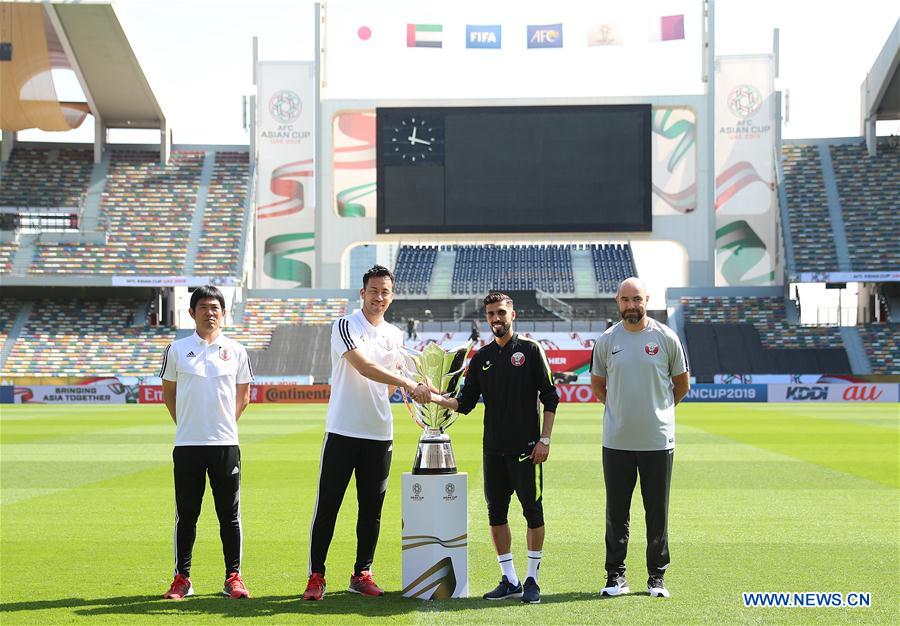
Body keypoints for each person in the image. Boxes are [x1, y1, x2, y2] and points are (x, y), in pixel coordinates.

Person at [303, 265, 431, 601]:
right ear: (362, 293)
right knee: (328, 505)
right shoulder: (345, 325)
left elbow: (389, 383)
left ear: (392, 296)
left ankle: (362, 573)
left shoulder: (395, 334)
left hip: (379, 434)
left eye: (385, 292)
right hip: (343, 430)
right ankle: (316, 575)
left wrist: (422, 386)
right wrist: (408, 383)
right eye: (373, 291)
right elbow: (364, 367)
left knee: (371, 509)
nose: (379, 297)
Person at [434, 292, 559, 604]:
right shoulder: (481, 358)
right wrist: (433, 398)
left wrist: (544, 440)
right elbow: (464, 404)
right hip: (493, 450)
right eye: (491, 314)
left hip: (528, 450)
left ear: (512, 315)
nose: (496, 319)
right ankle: (511, 579)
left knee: (532, 512)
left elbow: (551, 397)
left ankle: (532, 579)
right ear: (486, 318)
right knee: (496, 515)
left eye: (501, 313)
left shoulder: (530, 350)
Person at [590, 277, 689, 599]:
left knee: (656, 512)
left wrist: (658, 412)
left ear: (647, 300)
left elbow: (681, 384)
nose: (631, 306)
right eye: (625, 300)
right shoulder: (607, 340)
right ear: (617, 302)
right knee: (616, 512)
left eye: (637, 299)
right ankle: (615, 576)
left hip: (657, 442)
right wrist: (623, 412)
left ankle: (656, 577)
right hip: (616, 441)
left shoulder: (666, 337)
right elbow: (599, 386)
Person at [159, 285, 253, 600]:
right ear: (192, 313)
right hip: (187, 445)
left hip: (225, 444)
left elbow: (244, 397)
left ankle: (234, 577)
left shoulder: (237, 350)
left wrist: (221, 425)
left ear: (223, 313)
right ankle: (182, 578)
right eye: (203, 307)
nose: (209, 312)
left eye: (215, 307)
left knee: (230, 515)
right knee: (186, 514)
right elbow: (169, 394)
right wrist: (189, 424)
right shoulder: (176, 349)